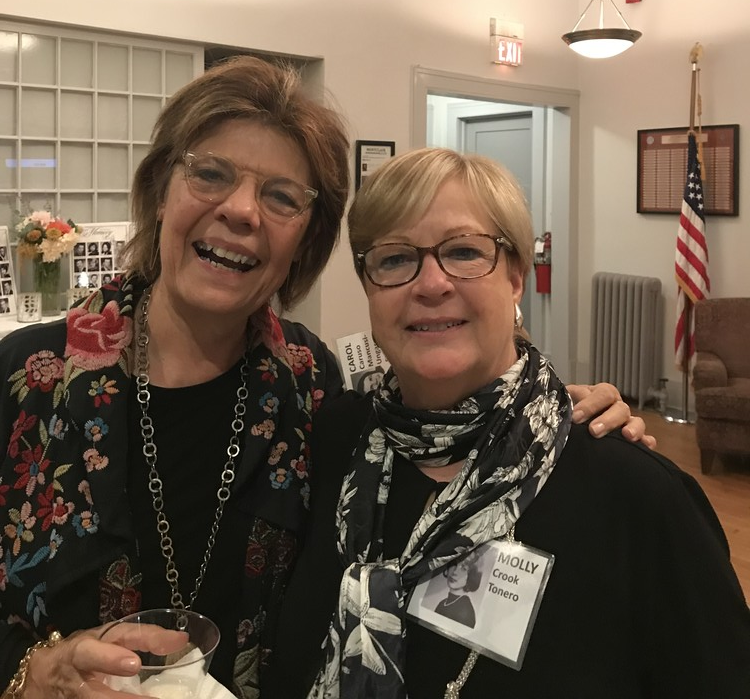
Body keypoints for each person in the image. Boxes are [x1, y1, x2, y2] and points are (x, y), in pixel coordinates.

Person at [0, 60, 649, 699]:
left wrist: (553, 412)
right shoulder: (25, 380)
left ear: (304, 240)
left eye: (281, 196)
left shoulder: (310, 388)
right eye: (211, 173)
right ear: (160, 191)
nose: (242, 210)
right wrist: (32, 671)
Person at [267, 147, 750, 699]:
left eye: (464, 251)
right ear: (369, 285)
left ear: (516, 277)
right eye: (395, 259)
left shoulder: (636, 495)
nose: (431, 284)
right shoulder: (335, 440)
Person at [432, 550, 486, 628]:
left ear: (471, 575)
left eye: (464, 568)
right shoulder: (443, 603)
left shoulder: (465, 611)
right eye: (454, 564)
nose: (454, 572)